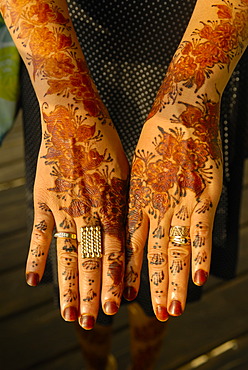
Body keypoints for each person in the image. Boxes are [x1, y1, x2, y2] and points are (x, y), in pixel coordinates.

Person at [1, 0, 248, 368]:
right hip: (61, 39)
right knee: (82, 247)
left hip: (203, 36)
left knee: (166, 250)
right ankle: (97, 362)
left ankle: (143, 362)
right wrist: (66, 99)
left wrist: (191, 98)